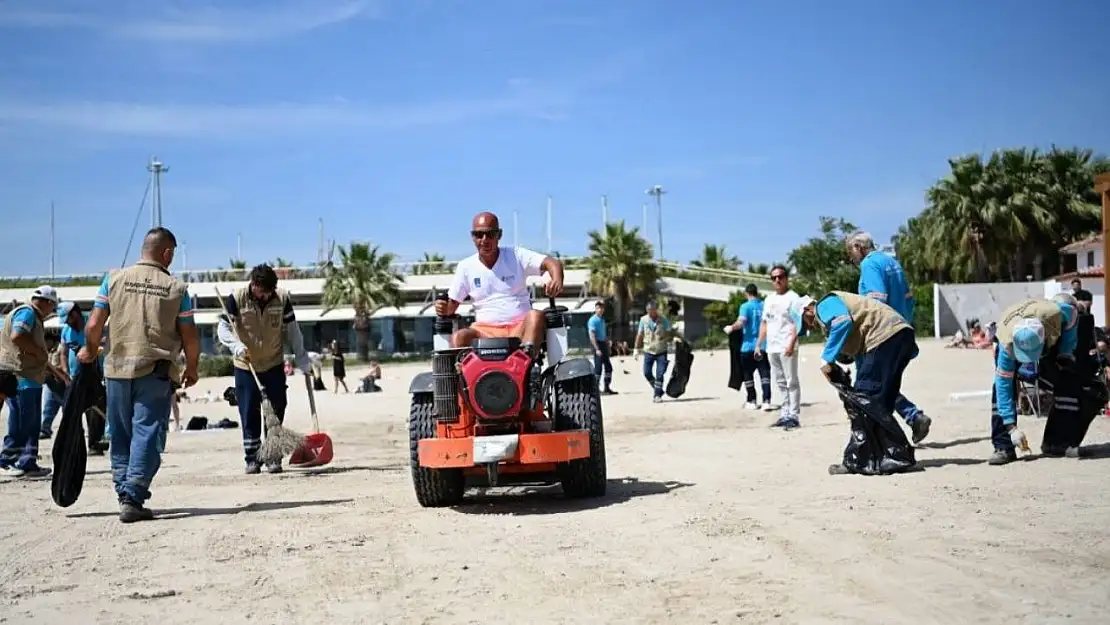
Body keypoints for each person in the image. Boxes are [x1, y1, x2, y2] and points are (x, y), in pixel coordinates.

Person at [79, 227, 200, 523]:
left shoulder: (113, 278)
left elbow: (94, 324)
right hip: (155, 372)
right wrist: (192, 368)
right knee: (147, 432)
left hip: (118, 370)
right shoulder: (176, 289)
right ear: (167, 253)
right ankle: (133, 494)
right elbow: (190, 335)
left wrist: (90, 350)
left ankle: (124, 492)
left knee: (120, 433)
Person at [217, 263, 312, 475]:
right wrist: (236, 346)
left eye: (270, 291)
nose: (266, 296)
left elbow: (294, 333)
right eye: (263, 292)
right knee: (249, 409)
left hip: (273, 363)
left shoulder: (282, 299)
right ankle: (252, 458)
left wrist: (303, 360)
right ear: (253, 285)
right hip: (246, 365)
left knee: (276, 408)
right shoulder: (237, 298)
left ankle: (272, 456)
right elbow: (223, 328)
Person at [437, 212, 565, 355]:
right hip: (484, 330)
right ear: (472, 237)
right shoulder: (465, 267)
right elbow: (451, 306)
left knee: (535, 316)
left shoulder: (516, 255)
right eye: (479, 235)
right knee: (458, 337)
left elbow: (551, 262)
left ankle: (527, 366)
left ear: (499, 235)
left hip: (520, 327)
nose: (484, 240)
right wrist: (443, 308)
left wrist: (557, 279)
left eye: (490, 234)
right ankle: (459, 376)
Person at [847, 231, 932, 444]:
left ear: (858, 246)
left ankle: (877, 437)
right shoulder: (891, 261)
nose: (851, 258)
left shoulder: (870, 264)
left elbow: (877, 300)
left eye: (851, 252)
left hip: (879, 334)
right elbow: (909, 298)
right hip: (900, 329)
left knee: (868, 385)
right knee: (885, 382)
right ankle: (913, 417)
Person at [792, 291, 918, 417]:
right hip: (900, 334)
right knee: (883, 400)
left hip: (884, 336)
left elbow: (842, 322)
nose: (809, 327)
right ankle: (910, 424)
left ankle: (865, 436)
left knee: (865, 397)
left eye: (804, 323)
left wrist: (826, 358)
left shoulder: (823, 305)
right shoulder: (829, 316)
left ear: (807, 309)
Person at [988, 297, 1078, 466]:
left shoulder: (1055, 313)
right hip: (1010, 333)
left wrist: (1066, 350)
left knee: (1067, 377)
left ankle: (1055, 442)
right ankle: (1003, 446)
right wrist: (1011, 428)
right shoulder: (1007, 346)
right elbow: (1003, 387)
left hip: (1045, 328)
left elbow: (1073, 315)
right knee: (999, 390)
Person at [0, 286, 62, 478]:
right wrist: (38, 352)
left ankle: (28, 462)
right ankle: (6, 461)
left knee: (32, 423)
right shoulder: (27, 313)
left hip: (31, 377)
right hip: (20, 377)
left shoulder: (34, 317)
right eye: (53, 306)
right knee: (22, 421)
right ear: (47, 302)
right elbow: (17, 336)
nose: (52, 311)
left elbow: (40, 356)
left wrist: (56, 372)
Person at [756, 265, 802, 427]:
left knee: (791, 381)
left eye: (780, 276)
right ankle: (784, 413)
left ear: (786, 278)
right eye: (774, 278)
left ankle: (794, 415)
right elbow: (765, 323)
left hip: (787, 345)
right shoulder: (769, 299)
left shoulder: (793, 298)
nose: (777, 280)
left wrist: (791, 344)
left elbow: (798, 323)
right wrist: (758, 344)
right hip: (772, 346)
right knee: (780, 382)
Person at [726, 284, 772, 411]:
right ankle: (766, 401)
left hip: (748, 347)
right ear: (756, 293)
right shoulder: (764, 306)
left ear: (746, 293)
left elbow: (741, 322)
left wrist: (731, 327)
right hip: (763, 345)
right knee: (765, 374)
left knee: (747, 374)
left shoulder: (745, 306)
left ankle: (752, 400)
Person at [634, 301, 679, 403]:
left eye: (652, 310)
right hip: (648, 350)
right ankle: (658, 389)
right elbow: (640, 335)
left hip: (661, 350)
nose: (651, 313)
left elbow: (669, 332)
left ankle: (657, 395)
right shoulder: (643, 320)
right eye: (649, 311)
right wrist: (636, 349)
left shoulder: (663, 320)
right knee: (647, 373)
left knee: (660, 374)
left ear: (656, 310)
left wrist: (674, 338)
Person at [587, 300, 617, 395]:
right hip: (597, 344)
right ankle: (596, 389)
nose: (600, 310)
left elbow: (603, 334)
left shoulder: (602, 320)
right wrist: (597, 349)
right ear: (595, 309)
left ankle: (607, 387)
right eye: (598, 308)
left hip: (603, 343)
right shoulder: (593, 320)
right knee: (598, 368)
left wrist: (607, 344)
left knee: (608, 367)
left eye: (601, 308)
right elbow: (592, 335)